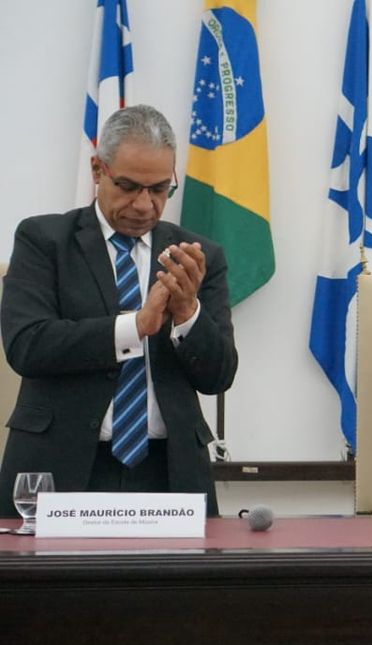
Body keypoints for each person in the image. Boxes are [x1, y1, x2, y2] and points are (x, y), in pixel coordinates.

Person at [0, 105, 237, 517]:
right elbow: (27, 346)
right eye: (128, 186)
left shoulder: (197, 257)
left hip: (170, 474)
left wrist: (188, 315)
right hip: (61, 468)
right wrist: (135, 327)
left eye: (160, 189)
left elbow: (218, 376)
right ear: (97, 170)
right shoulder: (44, 240)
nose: (144, 205)